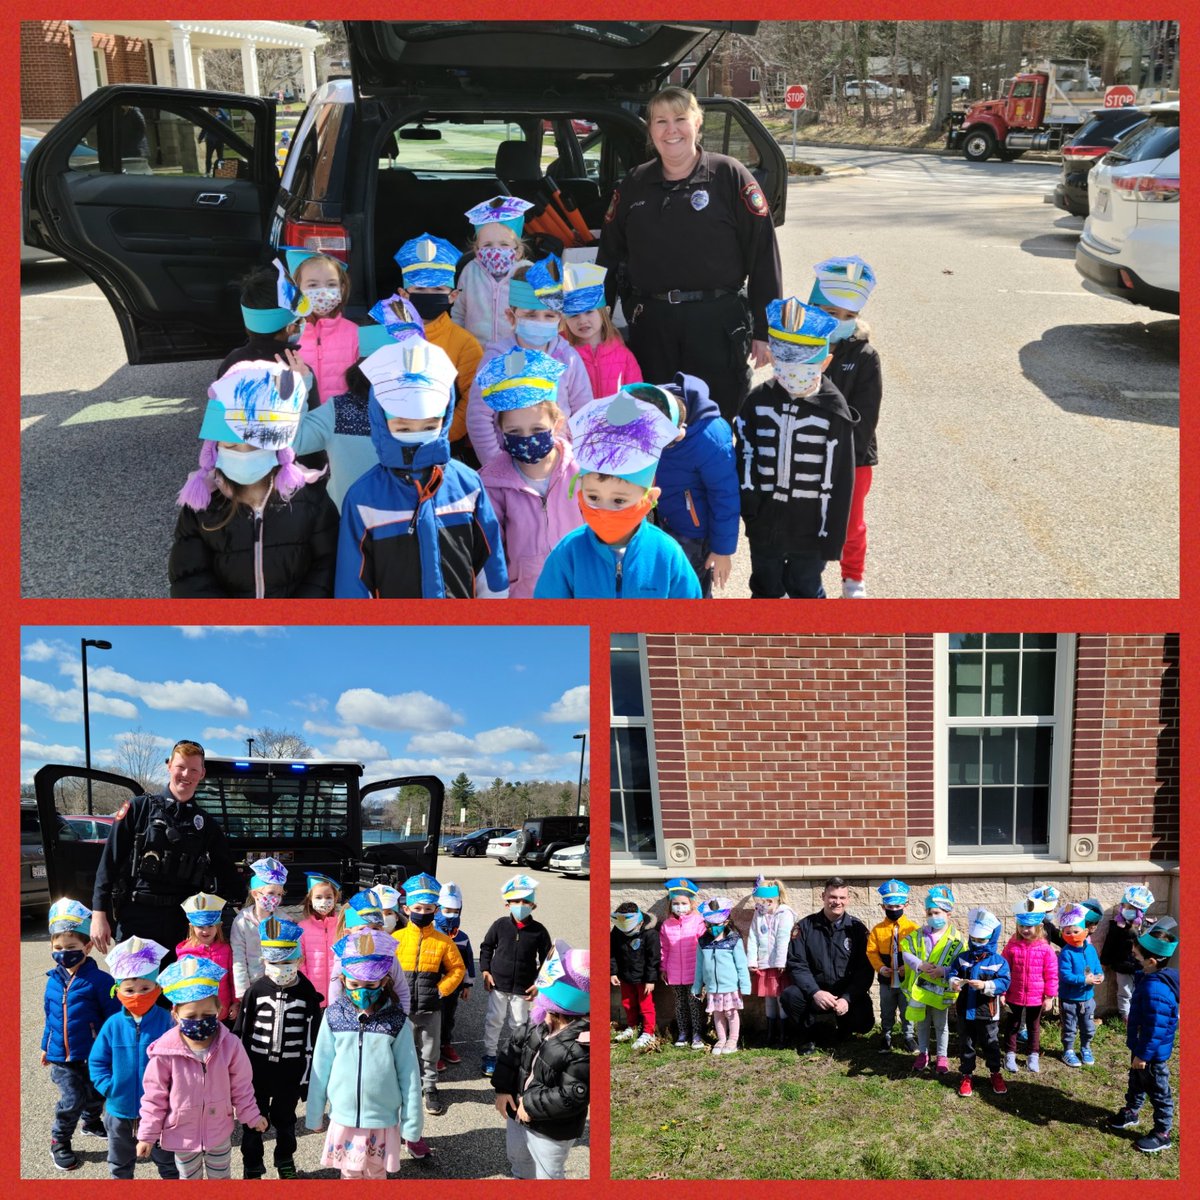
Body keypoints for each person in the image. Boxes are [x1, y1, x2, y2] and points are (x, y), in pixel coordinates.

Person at [597, 85, 782, 423]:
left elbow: (763, 253)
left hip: (717, 325)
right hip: (651, 326)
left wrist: (764, 331)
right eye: (660, 121)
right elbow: (608, 257)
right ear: (650, 129)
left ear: (698, 123)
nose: (671, 130)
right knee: (654, 421)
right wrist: (597, 323)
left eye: (680, 118)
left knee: (718, 423)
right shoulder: (635, 183)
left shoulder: (729, 175)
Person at [335, 337, 510, 598]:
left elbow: (490, 563)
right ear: (381, 421)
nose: (416, 436)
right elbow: (353, 582)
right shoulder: (363, 498)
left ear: (445, 416)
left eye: (429, 426)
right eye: (403, 427)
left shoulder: (467, 485)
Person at [170, 359, 337, 598]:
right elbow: (189, 577)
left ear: (279, 448)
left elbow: (326, 565)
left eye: (256, 444)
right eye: (231, 444)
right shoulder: (203, 504)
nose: (244, 454)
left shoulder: (310, 497)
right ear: (215, 447)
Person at [735, 298, 856, 598]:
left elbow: (842, 480)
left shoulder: (834, 412)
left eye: (805, 365)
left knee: (806, 590)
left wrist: (832, 539)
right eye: (786, 365)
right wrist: (750, 511)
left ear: (825, 362)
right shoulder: (757, 402)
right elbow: (745, 456)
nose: (794, 375)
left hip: (812, 531)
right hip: (764, 526)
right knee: (765, 588)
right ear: (774, 359)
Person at [533, 385, 701, 598]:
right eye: (593, 497)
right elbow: (546, 619)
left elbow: (689, 619)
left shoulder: (666, 555)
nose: (604, 509)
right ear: (580, 491)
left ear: (649, 498)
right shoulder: (568, 553)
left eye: (619, 501)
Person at [91, 739, 241, 955]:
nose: (186, 775)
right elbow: (109, 863)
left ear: (202, 773)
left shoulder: (205, 823)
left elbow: (226, 871)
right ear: (169, 766)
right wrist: (99, 914)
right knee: (135, 987)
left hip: (183, 922)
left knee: (178, 988)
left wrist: (254, 905)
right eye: (180, 767)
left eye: (193, 769)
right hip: (137, 917)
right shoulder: (139, 808)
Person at [306, 929, 427, 1175]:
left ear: (384, 982)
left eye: (371, 985)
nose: (362, 991)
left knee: (376, 1173)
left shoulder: (396, 1021)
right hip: (344, 1117)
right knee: (349, 1174)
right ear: (343, 981)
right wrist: (314, 1114)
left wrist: (412, 1124)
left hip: (382, 1121)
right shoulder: (333, 1016)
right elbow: (320, 1067)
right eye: (354, 984)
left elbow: (410, 1076)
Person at [136, 957, 266, 1179]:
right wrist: (147, 1135)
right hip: (182, 1135)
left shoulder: (230, 1045)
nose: (199, 1021)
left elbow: (241, 1085)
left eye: (207, 1016)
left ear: (219, 1010)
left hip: (218, 1132)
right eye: (191, 1016)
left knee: (221, 1177)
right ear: (175, 1015)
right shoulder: (165, 1052)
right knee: (189, 1180)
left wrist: (251, 1115)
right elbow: (154, 1097)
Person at [476, 345, 582, 597]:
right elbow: (491, 551)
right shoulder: (491, 484)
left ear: (557, 424)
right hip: (523, 598)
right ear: (500, 431)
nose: (527, 439)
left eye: (537, 430)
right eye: (514, 432)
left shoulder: (582, 472)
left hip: (579, 593)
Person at [466, 257, 593, 465]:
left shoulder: (568, 358)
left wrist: (573, 460)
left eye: (549, 315)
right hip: (509, 465)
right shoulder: (498, 358)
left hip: (560, 464)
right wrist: (495, 465)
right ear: (511, 316)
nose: (540, 321)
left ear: (560, 321)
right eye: (531, 315)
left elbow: (584, 411)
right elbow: (479, 417)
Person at [808, 256, 882, 599]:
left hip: (852, 458)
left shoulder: (864, 356)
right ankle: (810, 576)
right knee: (811, 521)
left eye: (848, 317)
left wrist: (841, 453)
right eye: (829, 312)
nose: (839, 321)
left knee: (850, 525)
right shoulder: (801, 350)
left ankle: (853, 579)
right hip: (806, 453)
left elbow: (865, 415)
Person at [493, 941, 590, 1180]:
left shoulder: (583, 1045)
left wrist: (531, 1104)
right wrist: (503, 1089)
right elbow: (512, 1052)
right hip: (518, 1112)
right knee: (518, 1159)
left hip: (552, 1129)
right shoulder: (538, 1023)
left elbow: (574, 1094)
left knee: (548, 1173)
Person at [235, 917, 323, 1179]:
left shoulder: (307, 991)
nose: (281, 968)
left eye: (287, 962)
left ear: (298, 960)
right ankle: (252, 1163)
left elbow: (314, 1035)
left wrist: (310, 1079)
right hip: (257, 1070)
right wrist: (236, 1073)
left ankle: (285, 1157)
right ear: (264, 961)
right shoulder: (256, 990)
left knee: (286, 1121)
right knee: (253, 1121)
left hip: (290, 1072)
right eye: (274, 962)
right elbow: (241, 1030)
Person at [88, 938, 179, 1179]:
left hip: (161, 1111)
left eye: (145, 989)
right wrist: (109, 1087)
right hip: (119, 1111)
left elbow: (180, 1060)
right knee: (119, 1164)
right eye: (129, 990)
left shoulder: (169, 1022)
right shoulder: (112, 1025)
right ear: (117, 991)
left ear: (158, 988)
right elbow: (97, 1062)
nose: (137, 995)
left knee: (169, 1164)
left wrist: (174, 1091)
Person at [390, 233, 485, 463]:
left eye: (437, 290)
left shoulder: (465, 344)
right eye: (420, 290)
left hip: (444, 447)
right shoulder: (388, 337)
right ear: (403, 295)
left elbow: (473, 398)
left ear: (452, 296)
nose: (428, 296)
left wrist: (444, 434)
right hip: (395, 445)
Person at [42, 899, 119, 1171]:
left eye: (71, 948)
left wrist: (112, 1047)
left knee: (97, 1092)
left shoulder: (101, 981)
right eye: (58, 948)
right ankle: (59, 1141)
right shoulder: (53, 979)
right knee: (72, 1098)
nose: (64, 954)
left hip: (93, 1052)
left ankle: (91, 1121)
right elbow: (50, 1016)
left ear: (87, 947)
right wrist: (44, 1046)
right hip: (61, 1056)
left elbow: (112, 1017)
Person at [654, 373, 740, 597]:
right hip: (663, 520)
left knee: (692, 591)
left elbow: (726, 497)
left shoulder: (710, 438)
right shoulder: (651, 411)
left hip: (694, 534)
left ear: (682, 426)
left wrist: (722, 551)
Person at [392, 873, 466, 1117]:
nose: (422, 912)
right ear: (406, 908)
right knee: (402, 1048)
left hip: (431, 1006)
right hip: (401, 1008)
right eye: (417, 908)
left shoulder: (443, 941)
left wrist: (441, 990)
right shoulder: (396, 939)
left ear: (436, 909)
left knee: (430, 1050)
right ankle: (403, 1086)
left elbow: (457, 968)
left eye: (428, 908)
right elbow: (385, 968)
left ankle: (430, 1086)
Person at [1109, 917, 1179, 1155]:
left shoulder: (1155, 990)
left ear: (1151, 961)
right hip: (1141, 1048)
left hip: (1151, 1055)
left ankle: (1162, 1133)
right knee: (1136, 1082)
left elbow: (1154, 1030)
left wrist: (1142, 1055)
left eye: (1138, 958)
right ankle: (1132, 1111)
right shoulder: (1151, 977)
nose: (1134, 960)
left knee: (1159, 1092)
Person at [781, 878, 874, 1054]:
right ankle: (808, 1036)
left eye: (842, 897)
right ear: (823, 896)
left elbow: (865, 969)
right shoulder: (805, 927)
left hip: (845, 992)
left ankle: (843, 1029)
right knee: (789, 996)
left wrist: (847, 997)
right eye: (832, 896)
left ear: (848, 899)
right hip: (816, 991)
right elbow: (797, 964)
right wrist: (815, 992)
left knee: (864, 1023)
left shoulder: (857, 929)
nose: (837, 902)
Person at [478, 874, 553, 1077]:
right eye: (517, 901)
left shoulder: (539, 931)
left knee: (519, 1024)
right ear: (507, 904)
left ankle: (515, 1056)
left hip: (523, 987)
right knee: (494, 1020)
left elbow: (548, 959)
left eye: (526, 902)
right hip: (498, 985)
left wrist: (539, 983)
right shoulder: (499, 925)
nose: (521, 905)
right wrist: (485, 970)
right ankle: (490, 1056)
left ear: (533, 906)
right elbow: (486, 947)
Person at [452, 195, 534, 345]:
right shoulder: (470, 272)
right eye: (488, 245)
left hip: (515, 352)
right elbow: (459, 313)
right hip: (476, 353)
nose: (495, 250)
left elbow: (537, 315)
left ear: (518, 251)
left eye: (504, 244)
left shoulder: (528, 274)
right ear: (477, 251)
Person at [947, 909, 1011, 1098]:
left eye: (981, 940)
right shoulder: (962, 958)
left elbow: (1004, 982)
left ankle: (995, 1072)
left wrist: (985, 985)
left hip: (987, 1011)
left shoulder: (998, 961)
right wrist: (954, 982)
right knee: (966, 1043)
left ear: (991, 939)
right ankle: (966, 1075)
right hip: (965, 1010)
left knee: (991, 1042)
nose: (976, 943)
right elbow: (952, 972)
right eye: (974, 938)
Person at [900, 885, 962, 1075]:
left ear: (948, 913)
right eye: (930, 912)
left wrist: (943, 971)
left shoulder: (956, 939)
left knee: (941, 1024)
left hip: (940, 990)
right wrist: (919, 965)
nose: (933, 916)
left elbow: (960, 964)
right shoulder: (918, 935)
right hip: (920, 990)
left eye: (937, 912)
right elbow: (906, 951)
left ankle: (942, 1056)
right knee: (922, 1022)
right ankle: (923, 1053)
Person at [559, 261, 642, 397]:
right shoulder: (560, 355)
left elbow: (636, 399)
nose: (582, 320)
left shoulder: (624, 357)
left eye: (589, 312)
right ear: (565, 320)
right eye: (574, 315)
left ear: (605, 313)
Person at [288, 247, 360, 402]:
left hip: (342, 421)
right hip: (304, 418)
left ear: (342, 288)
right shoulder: (290, 333)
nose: (323, 292)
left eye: (331, 284)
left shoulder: (355, 333)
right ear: (297, 290)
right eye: (313, 285)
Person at [325, 890, 411, 1012]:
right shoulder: (342, 957)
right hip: (350, 1018)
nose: (370, 934)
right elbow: (335, 991)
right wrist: (335, 1017)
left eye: (375, 928)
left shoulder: (388, 956)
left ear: (382, 931)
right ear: (349, 934)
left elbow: (401, 989)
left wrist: (404, 1017)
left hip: (384, 1018)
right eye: (362, 929)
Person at [1001, 904, 1059, 1074]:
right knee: (1013, 1025)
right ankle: (1010, 1054)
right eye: (1022, 926)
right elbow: (1004, 970)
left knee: (1034, 1027)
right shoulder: (1011, 947)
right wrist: (1002, 992)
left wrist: (1049, 996)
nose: (1025, 930)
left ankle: (1033, 1055)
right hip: (1014, 995)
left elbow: (1051, 974)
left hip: (1036, 997)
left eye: (1029, 926)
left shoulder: (1045, 949)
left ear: (1039, 927)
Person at [691, 896, 751, 1055]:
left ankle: (733, 1040)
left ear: (725, 922)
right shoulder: (703, 942)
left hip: (730, 987)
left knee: (731, 1013)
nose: (712, 927)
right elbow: (699, 966)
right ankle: (721, 1039)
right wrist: (697, 986)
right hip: (712, 988)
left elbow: (741, 965)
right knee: (717, 1014)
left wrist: (745, 986)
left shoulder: (733, 941)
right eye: (708, 924)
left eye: (715, 924)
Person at [864, 878, 918, 1054]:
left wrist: (908, 968)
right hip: (886, 979)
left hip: (906, 980)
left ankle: (908, 1036)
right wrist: (880, 967)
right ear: (883, 907)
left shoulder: (913, 929)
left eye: (897, 906)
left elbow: (919, 953)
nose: (894, 910)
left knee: (907, 1008)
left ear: (906, 905)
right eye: (890, 907)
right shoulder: (877, 930)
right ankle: (886, 1034)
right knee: (887, 1009)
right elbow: (871, 951)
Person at [745, 876, 796, 1047]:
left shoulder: (785, 913)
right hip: (764, 964)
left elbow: (783, 938)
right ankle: (770, 1032)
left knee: (781, 998)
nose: (762, 905)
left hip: (778, 966)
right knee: (769, 998)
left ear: (773, 899)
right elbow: (753, 937)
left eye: (766, 902)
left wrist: (781, 962)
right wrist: (752, 960)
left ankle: (783, 1034)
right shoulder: (758, 914)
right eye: (760, 902)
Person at [657, 877, 707, 1050]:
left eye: (684, 903)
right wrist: (663, 967)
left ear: (691, 903)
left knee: (695, 1003)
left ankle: (698, 1034)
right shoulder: (667, 925)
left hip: (694, 971)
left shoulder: (699, 922)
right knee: (680, 1003)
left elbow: (703, 946)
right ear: (671, 905)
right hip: (674, 971)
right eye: (676, 903)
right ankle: (683, 1033)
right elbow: (664, 948)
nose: (680, 907)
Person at [231, 857, 288, 1004]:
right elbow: (238, 957)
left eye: (279, 894)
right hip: (253, 985)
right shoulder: (242, 921)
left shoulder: (285, 920)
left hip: (279, 984)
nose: (275, 898)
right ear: (255, 894)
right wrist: (242, 991)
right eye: (271, 893)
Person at [1054, 903, 1104, 1068]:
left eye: (1076, 931)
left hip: (1088, 998)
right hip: (1069, 998)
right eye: (1068, 932)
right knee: (1069, 1026)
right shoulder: (1066, 953)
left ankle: (1085, 1047)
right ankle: (1068, 1050)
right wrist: (1084, 980)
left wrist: (1099, 975)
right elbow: (1065, 975)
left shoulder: (1090, 950)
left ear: (1085, 931)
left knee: (1088, 1026)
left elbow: (1096, 966)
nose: (1072, 935)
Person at [434, 882, 475, 1072]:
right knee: (434, 1019)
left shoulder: (462, 937)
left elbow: (467, 963)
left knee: (449, 1017)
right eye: (446, 910)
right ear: (437, 910)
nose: (451, 915)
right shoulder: (432, 934)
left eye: (455, 911)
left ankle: (445, 1044)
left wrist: (466, 985)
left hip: (454, 987)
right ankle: (433, 1051)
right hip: (434, 988)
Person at [176, 892, 235, 1023]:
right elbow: (180, 986)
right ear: (192, 927)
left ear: (218, 926)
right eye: (200, 926)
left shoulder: (226, 949)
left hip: (223, 1013)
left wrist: (236, 1003)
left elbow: (233, 979)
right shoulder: (186, 954)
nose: (205, 931)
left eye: (210, 926)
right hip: (198, 1015)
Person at [1100, 884, 1155, 1024]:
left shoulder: (1146, 927)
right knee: (1124, 992)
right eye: (1125, 906)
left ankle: (1138, 1014)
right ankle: (1126, 1016)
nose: (1127, 910)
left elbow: (1149, 947)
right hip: (1122, 966)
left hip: (1140, 967)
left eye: (1131, 908)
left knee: (1139, 991)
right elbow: (1109, 945)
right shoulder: (1116, 927)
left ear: (1140, 911)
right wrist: (1105, 961)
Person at [610, 901, 660, 1050]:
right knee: (627, 1003)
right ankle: (632, 1027)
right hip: (625, 976)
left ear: (639, 922)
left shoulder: (650, 933)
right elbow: (611, 952)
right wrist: (613, 972)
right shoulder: (617, 930)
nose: (626, 932)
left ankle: (649, 1032)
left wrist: (650, 980)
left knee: (646, 1005)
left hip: (644, 979)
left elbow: (653, 958)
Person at [297, 871, 341, 1007]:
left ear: (335, 898)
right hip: (312, 993)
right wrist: (305, 985)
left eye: (328, 897)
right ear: (310, 900)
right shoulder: (302, 928)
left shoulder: (342, 925)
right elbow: (300, 961)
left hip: (339, 992)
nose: (324, 901)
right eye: (318, 897)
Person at [198, 107, 231, 175]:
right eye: (213, 110)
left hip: (220, 141)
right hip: (210, 141)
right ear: (210, 111)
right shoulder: (207, 119)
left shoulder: (220, 118)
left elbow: (226, 118)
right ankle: (207, 172)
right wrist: (200, 138)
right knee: (208, 157)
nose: (214, 112)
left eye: (215, 111)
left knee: (220, 157)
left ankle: (221, 171)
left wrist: (219, 109)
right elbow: (204, 129)